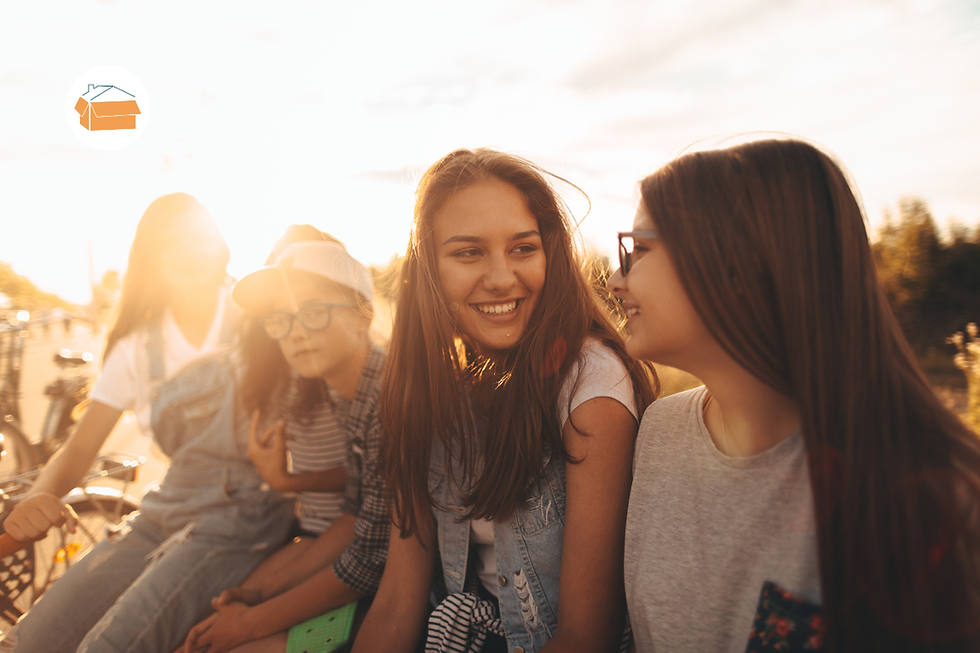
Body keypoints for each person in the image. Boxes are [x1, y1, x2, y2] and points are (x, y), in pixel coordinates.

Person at [609, 137, 980, 653]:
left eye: (639, 249)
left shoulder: (936, 493)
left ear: (736, 266)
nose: (614, 277)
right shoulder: (660, 432)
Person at [352, 148, 658, 653]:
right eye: (468, 252)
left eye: (522, 248)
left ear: (550, 253)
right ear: (428, 267)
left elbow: (586, 636)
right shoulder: (430, 388)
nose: (500, 277)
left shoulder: (589, 382)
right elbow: (397, 603)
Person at [179, 230, 390, 653]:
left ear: (362, 314)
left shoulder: (390, 399)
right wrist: (258, 596)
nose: (295, 333)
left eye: (312, 312)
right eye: (280, 319)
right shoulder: (344, 390)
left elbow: (368, 559)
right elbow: (353, 514)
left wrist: (250, 624)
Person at [3, 192, 234, 548]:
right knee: (62, 605)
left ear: (221, 247)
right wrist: (38, 497)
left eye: (198, 238)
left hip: (253, 508)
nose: (188, 251)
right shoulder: (135, 348)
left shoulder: (257, 319)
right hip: (177, 507)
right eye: (172, 241)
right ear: (151, 257)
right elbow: (80, 449)